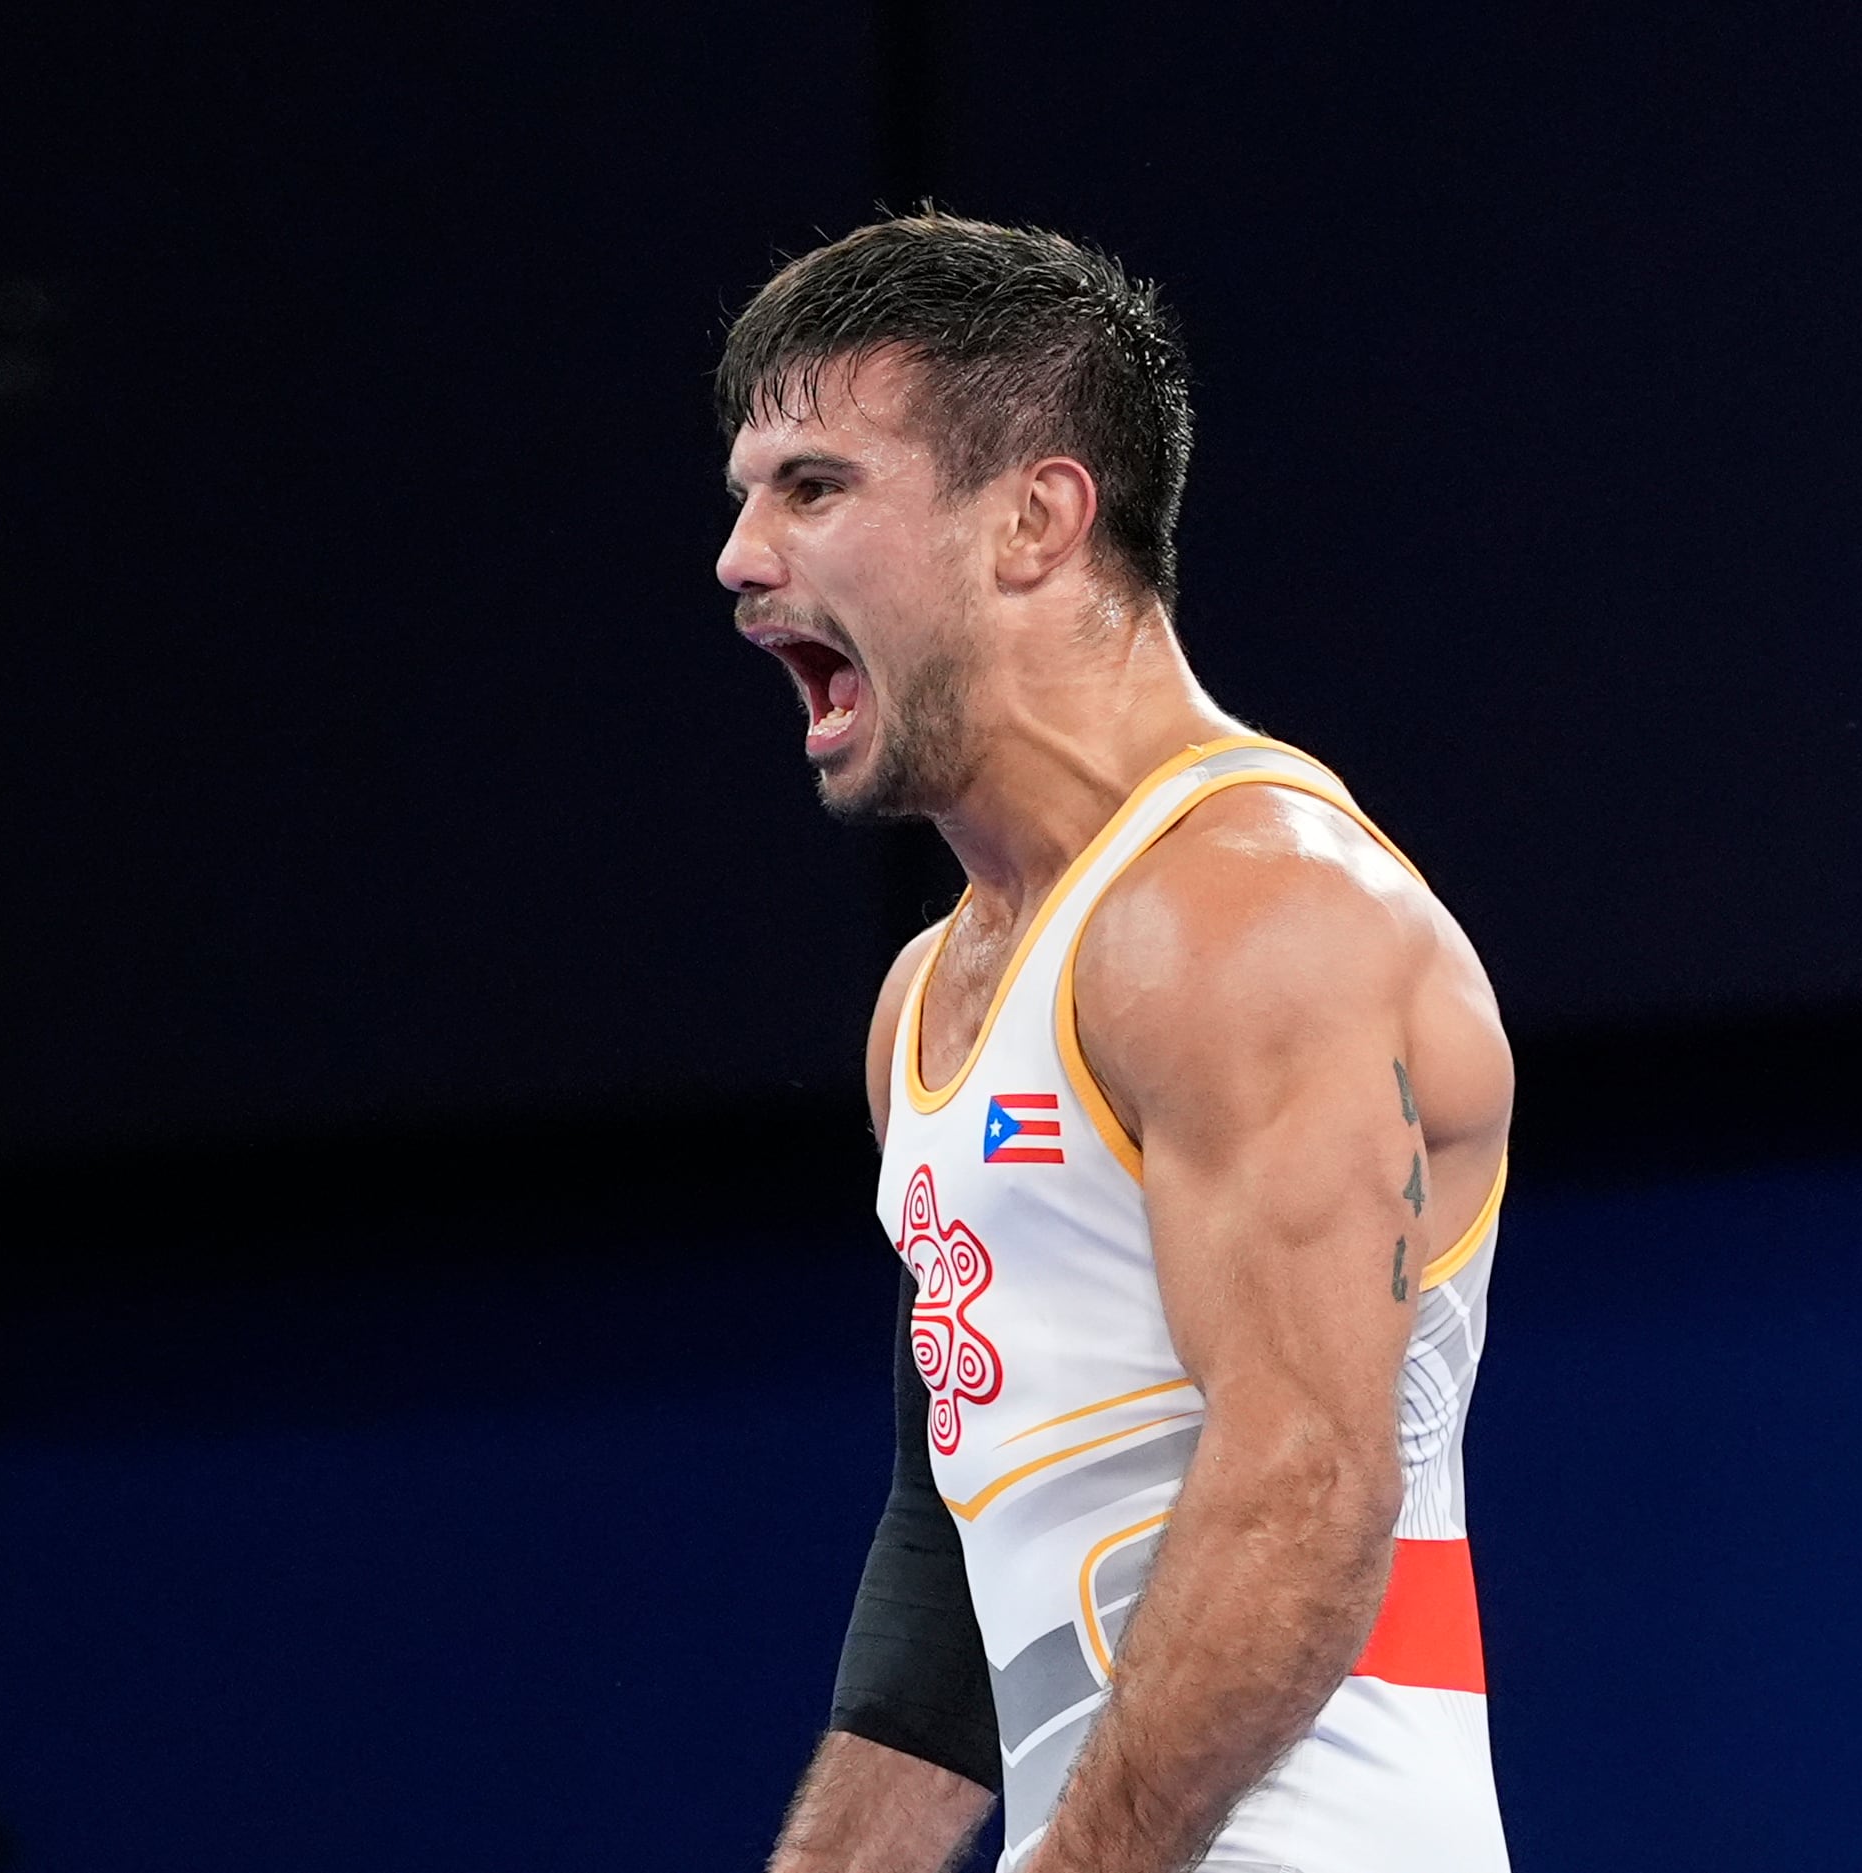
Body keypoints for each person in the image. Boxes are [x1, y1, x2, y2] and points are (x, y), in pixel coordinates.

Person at [716, 214, 1517, 1873]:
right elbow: (945, 1574)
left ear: (1036, 519)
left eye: (812, 486)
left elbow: (1304, 1488)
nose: (737, 553)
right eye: (745, 492)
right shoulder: (927, 1004)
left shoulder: (1250, 910)